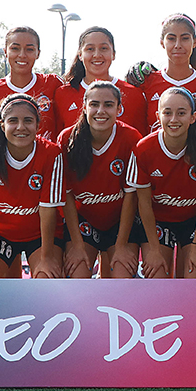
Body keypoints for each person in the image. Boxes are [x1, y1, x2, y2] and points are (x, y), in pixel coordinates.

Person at [127, 86, 196, 279]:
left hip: (195, 220)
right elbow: (143, 204)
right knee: (157, 276)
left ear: (193, 117)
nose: (173, 120)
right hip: (159, 221)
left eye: (181, 113)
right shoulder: (144, 149)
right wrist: (153, 249)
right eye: (167, 113)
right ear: (157, 116)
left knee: (193, 276)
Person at [0, 94, 64, 278]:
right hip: (0, 234)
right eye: (13, 121)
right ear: (2, 125)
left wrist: (47, 256)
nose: (21, 127)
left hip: (39, 235)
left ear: (38, 125)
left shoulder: (51, 153)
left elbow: (48, 209)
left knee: (47, 278)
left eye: (28, 120)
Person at [57, 81, 142, 278]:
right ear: (84, 107)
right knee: (77, 277)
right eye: (94, 104)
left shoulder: (131, 138)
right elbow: (67, 197)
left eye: (108, 105)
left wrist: (121, 245)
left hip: (120, 221)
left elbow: (132, 196)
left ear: (119, 109)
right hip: (83, 221)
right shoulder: (67, 139)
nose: (100, 111)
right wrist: (77, 245)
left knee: (120, 279)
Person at [130, 14, 196, 135]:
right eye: (171, 38)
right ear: (162, 43)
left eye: (185, 38)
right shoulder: (146, 82)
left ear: (194, 42)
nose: (178, 45)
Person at [55, 27, 148, 136]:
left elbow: (140, 142)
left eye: (103, 48)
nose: (97, 55)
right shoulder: (62, 94)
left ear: (113, 54)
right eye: (90, 49)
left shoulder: (134, 94)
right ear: (80, 55)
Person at [0, 26, 63, 141]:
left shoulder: (53, 83)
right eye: (15, 48)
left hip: (47, 158)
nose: (22, 55)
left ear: (38, 53)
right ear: (5, 52)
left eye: (29, 49)